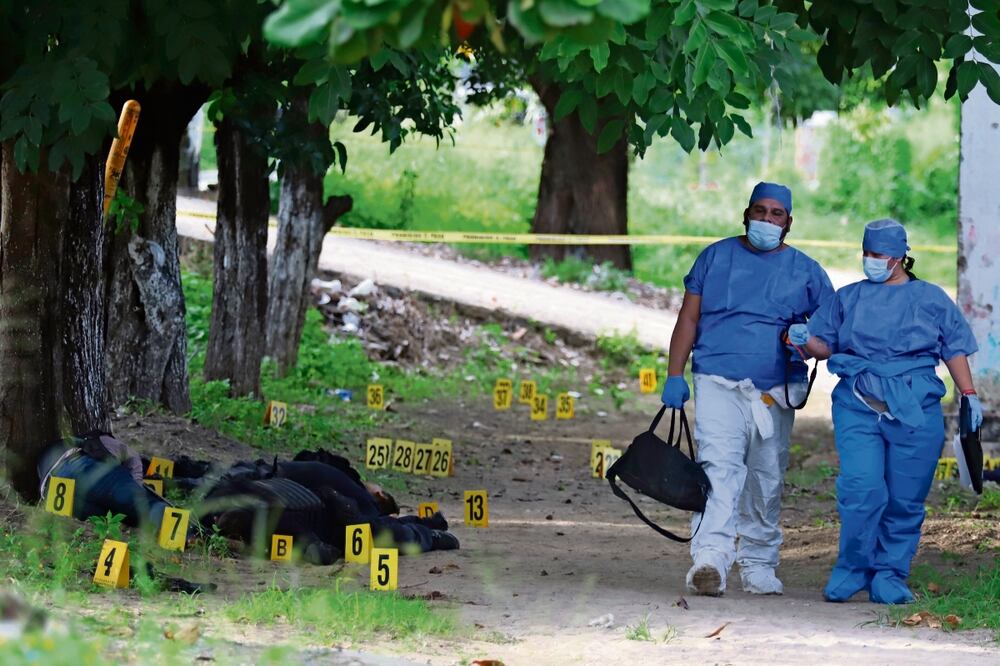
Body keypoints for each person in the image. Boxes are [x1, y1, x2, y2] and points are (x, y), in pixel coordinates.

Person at [789, 218, 982, 604]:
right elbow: (825, 346)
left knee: (905, 498)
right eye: (866, 253)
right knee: (861, 488)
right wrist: (806, 340)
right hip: (858, 403)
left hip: (915, 407)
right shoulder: (848, 298)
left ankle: (890, 574)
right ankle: (852, 568)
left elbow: (954, 348)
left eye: (877, 255)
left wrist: (969, 394)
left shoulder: (930, 299)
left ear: (899, 257)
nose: (870, 261)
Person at [662, 182, 835, 596]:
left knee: (765, 476)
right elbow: (688, 319)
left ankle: (758, 562)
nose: (767, 220)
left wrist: (804, 339)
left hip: (773, 390)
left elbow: (829, 338)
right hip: (717, 381)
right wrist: (674, 374)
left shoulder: (807, 273)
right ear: (746, 214)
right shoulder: (715, 257)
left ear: (789, 223)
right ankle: (711, 560)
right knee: (717, 469)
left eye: (777, 214)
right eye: (760, 211)